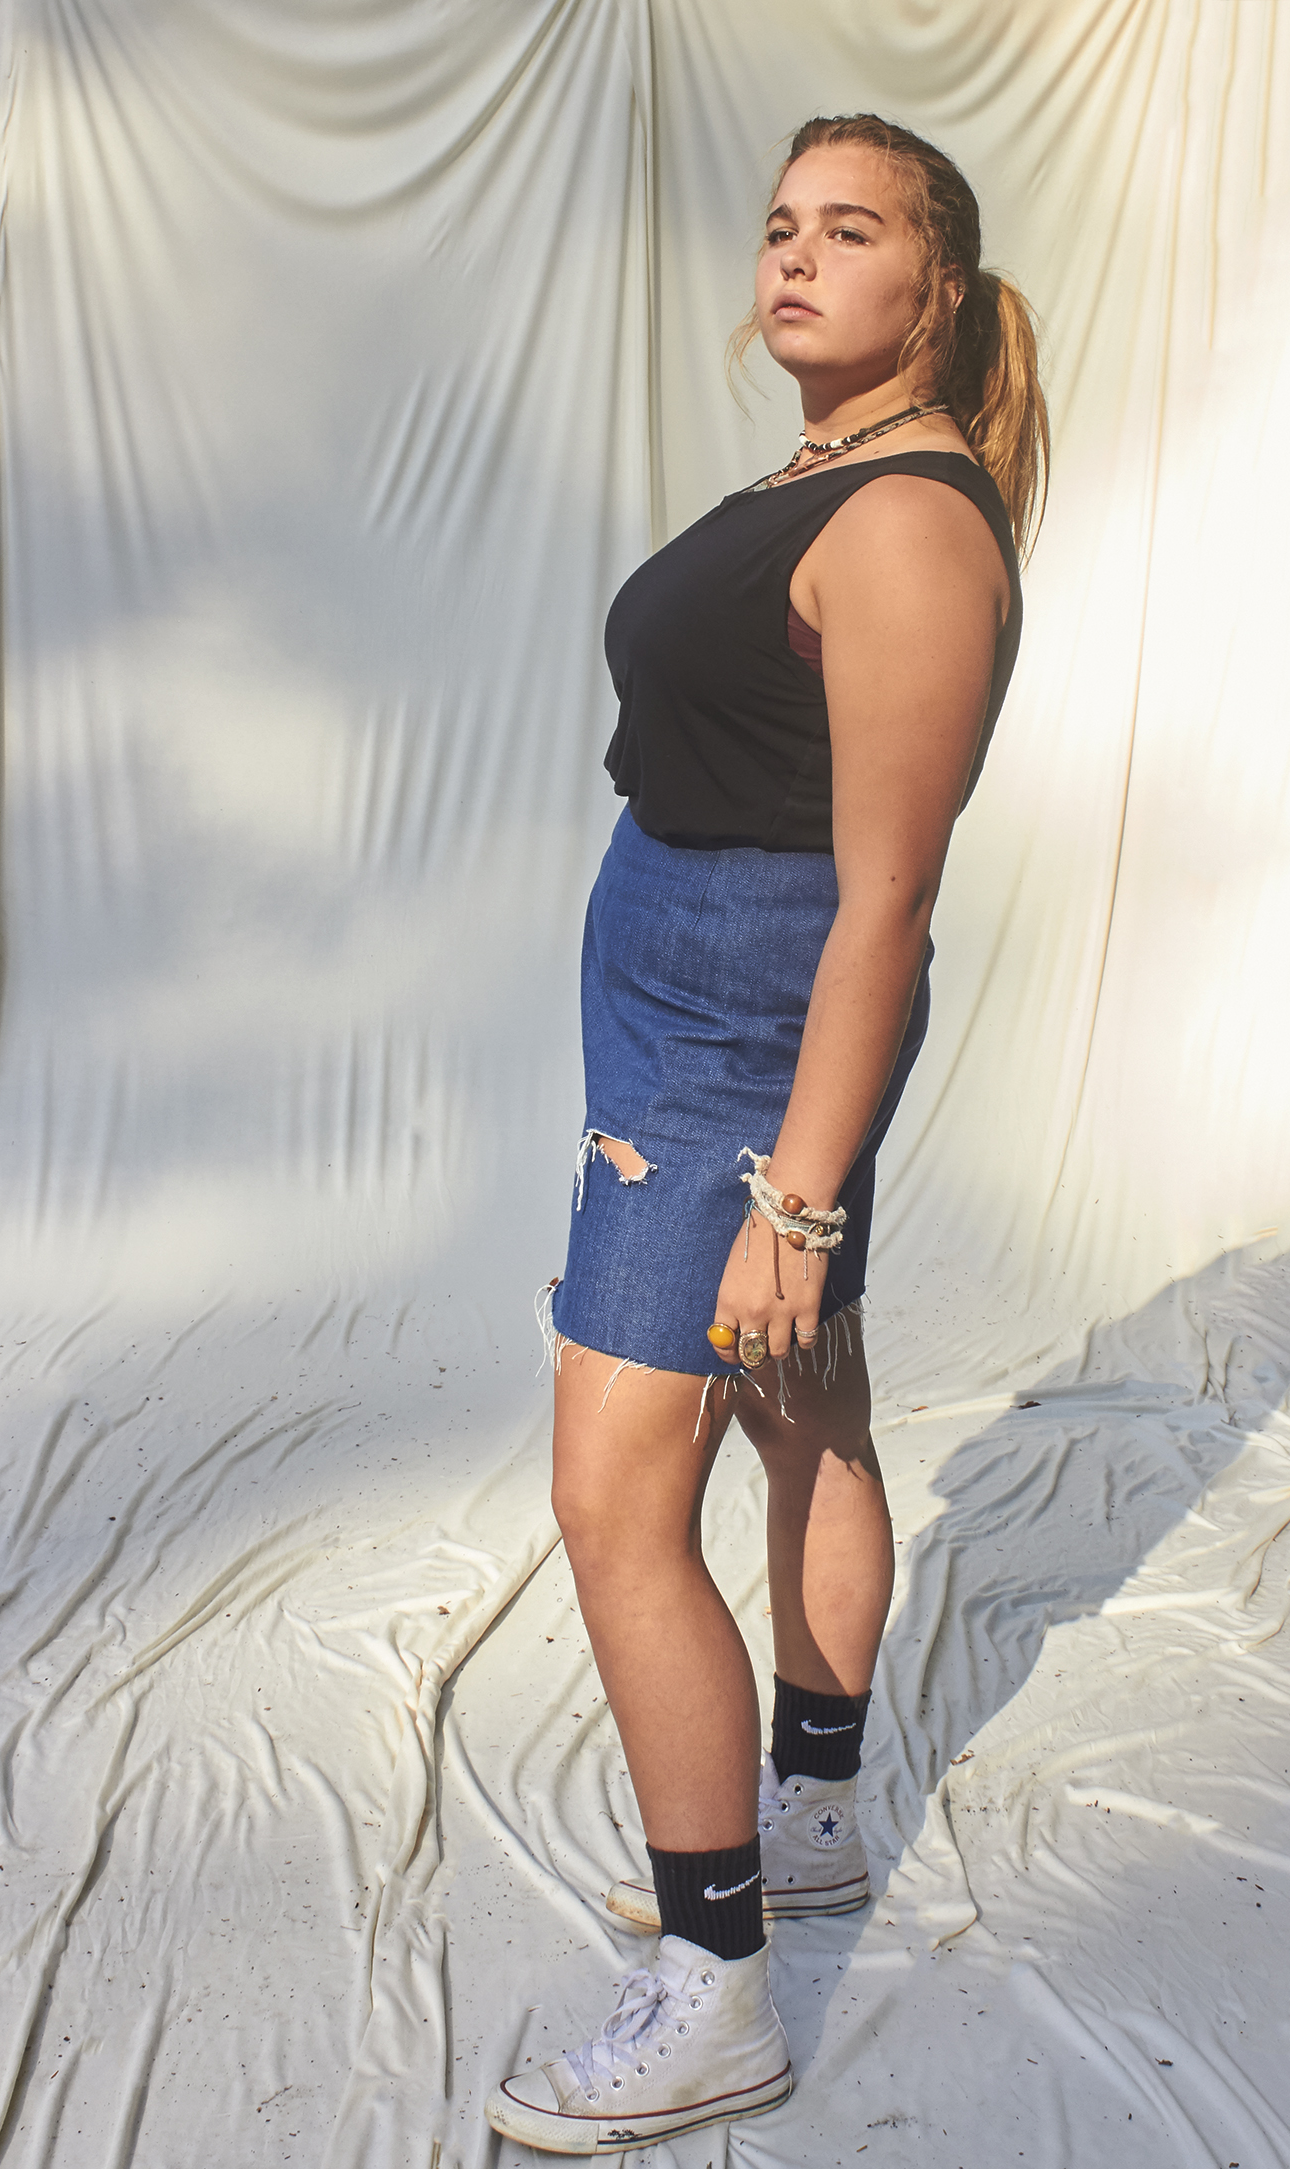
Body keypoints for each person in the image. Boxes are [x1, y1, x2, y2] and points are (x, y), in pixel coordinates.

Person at [486, 111, 1048, 2153]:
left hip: (748, 1017)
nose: (799, 257)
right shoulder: (825, 469)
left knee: (614, 1496)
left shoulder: (907, 519)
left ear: (938, 290)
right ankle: (811, 1811)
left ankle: (715, 1985)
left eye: (856, 231)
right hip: (709, 988)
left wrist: (793, 1200)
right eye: (784, 224)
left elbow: (883, 902)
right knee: (801, 1407)